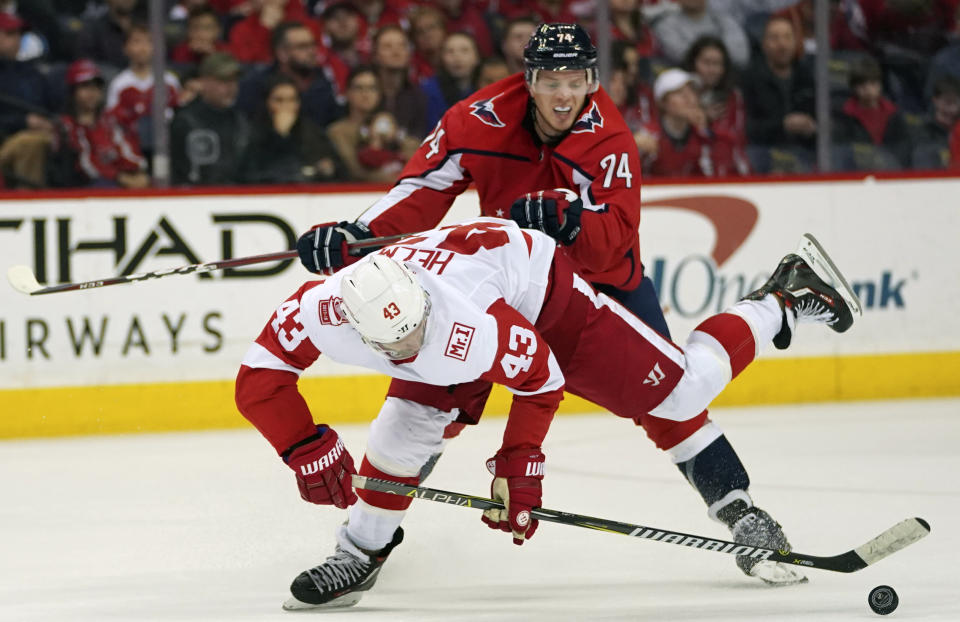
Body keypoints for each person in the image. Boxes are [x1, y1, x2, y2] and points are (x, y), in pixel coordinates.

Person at [292, 22, 810, 588]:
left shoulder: (610, 139)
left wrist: (570, 222)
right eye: (551, 80)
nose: (565, 95)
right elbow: (421, 190)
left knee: (676, 399)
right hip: (509, 288)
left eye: (577, 80)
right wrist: (359, 234)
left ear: (592, 79)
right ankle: (361, 548)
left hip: (599, 288)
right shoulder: (476, 119)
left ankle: (746, 501)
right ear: (528, 79)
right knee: (412, 416)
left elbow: (617, 233)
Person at [236, 217, 860, 609]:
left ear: (423, 305)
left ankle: (784, 299)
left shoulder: (464, 322)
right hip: (474, 297)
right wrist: (303, 445)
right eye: (392, 347)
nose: (408, 350)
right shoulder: (321, 307)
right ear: (354, 326)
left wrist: (519, 465)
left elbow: (540, 379)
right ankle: (358, 554)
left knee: (682, 390)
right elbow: (257, 380)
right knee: (401, 432)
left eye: (414, 334)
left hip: (541, 295)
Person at [53, 59, 149, 189]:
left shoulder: (110, 120)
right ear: (73, 91)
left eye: (96, 87)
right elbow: (86, 164)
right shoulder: (67, 125)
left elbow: (126, 150)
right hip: (86, 185)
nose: (92, 93)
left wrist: (139, 171)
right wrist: (120, 178)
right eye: (85, 87)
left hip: (119, 178)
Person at [239, 74, 347, 184]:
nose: (286, 106)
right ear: (267, 103)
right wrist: (280, 136)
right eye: (279, 100)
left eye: (292, 100)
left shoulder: (311, 132)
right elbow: (250, 175)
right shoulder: (253, 133)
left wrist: (328, 169)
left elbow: (339, 170)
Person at [326, 65, 419, 182]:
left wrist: (397, 138)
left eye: (372, 88)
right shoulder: (337, 131)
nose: (366, 94)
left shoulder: (388, 124)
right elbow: (354, 171)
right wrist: (393, 177)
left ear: (380, 93)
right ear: (347, 93)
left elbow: (417, 153)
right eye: (359, 88)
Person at [170, 52, 250, 185]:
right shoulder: (185, 121)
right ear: (203, 82)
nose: (231, 87)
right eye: (223, 81)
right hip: (197, 198)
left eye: (234, 80)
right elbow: (178, 174)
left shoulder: (241, 120)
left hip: (237, 196)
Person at [833, 55, 911, 170]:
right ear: (853, 87)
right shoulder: (844, 116)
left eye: (873, 83)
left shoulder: (895, 115)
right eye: (862, 85)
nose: (868, 89)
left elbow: (902, 148)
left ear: (880, 85)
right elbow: (842, 152)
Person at [106, 24, 181, 136]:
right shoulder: (119, 83)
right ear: (125, 48)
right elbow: (111, 121)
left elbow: (178, 115)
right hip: (131, 140)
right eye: (136, 41)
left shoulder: (169, 81)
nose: (143, 48)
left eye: (149, 41)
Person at [651, 0, 751, 69]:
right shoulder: (665, 25)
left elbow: (741, 56)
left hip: (724, 79)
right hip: (685, 81)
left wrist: (713, 64)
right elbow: (681, 57)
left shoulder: (724, 21)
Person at [420, 31, 481, 130]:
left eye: (464, 50)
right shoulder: (429, 90)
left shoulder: (485, 85)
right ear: (442, 58)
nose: (457, 57)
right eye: (450, 51)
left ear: (477, 57)